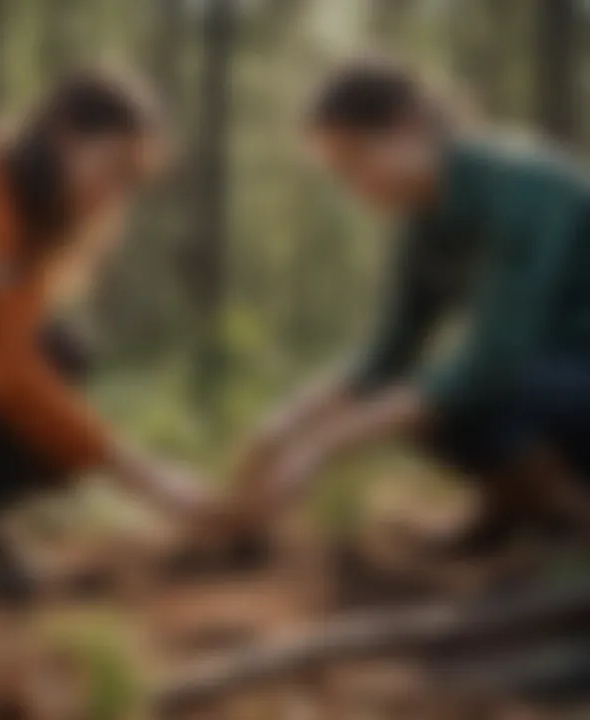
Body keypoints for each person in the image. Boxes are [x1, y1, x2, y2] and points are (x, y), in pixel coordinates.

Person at [234, 57, 590, 556]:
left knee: (466, 395)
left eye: (356, 159)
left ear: (411, 123)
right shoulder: (422, 221)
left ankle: (569, 512)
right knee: (416, 400)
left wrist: (321, 447)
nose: (353, 186)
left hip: (573, 376)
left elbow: (493, 360)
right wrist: (277, 430)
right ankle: (524, 507)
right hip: (556, 382)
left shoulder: (522, 186)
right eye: (338, 173)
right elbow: (385, 355)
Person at [0, 69, 218, 577]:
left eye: (133, 178)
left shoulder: (24, 212)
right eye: (114, 166)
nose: (118, 191)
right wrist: (146, 475)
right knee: (21, 376)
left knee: (60, 355)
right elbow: (2, 371)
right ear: (63, 135)